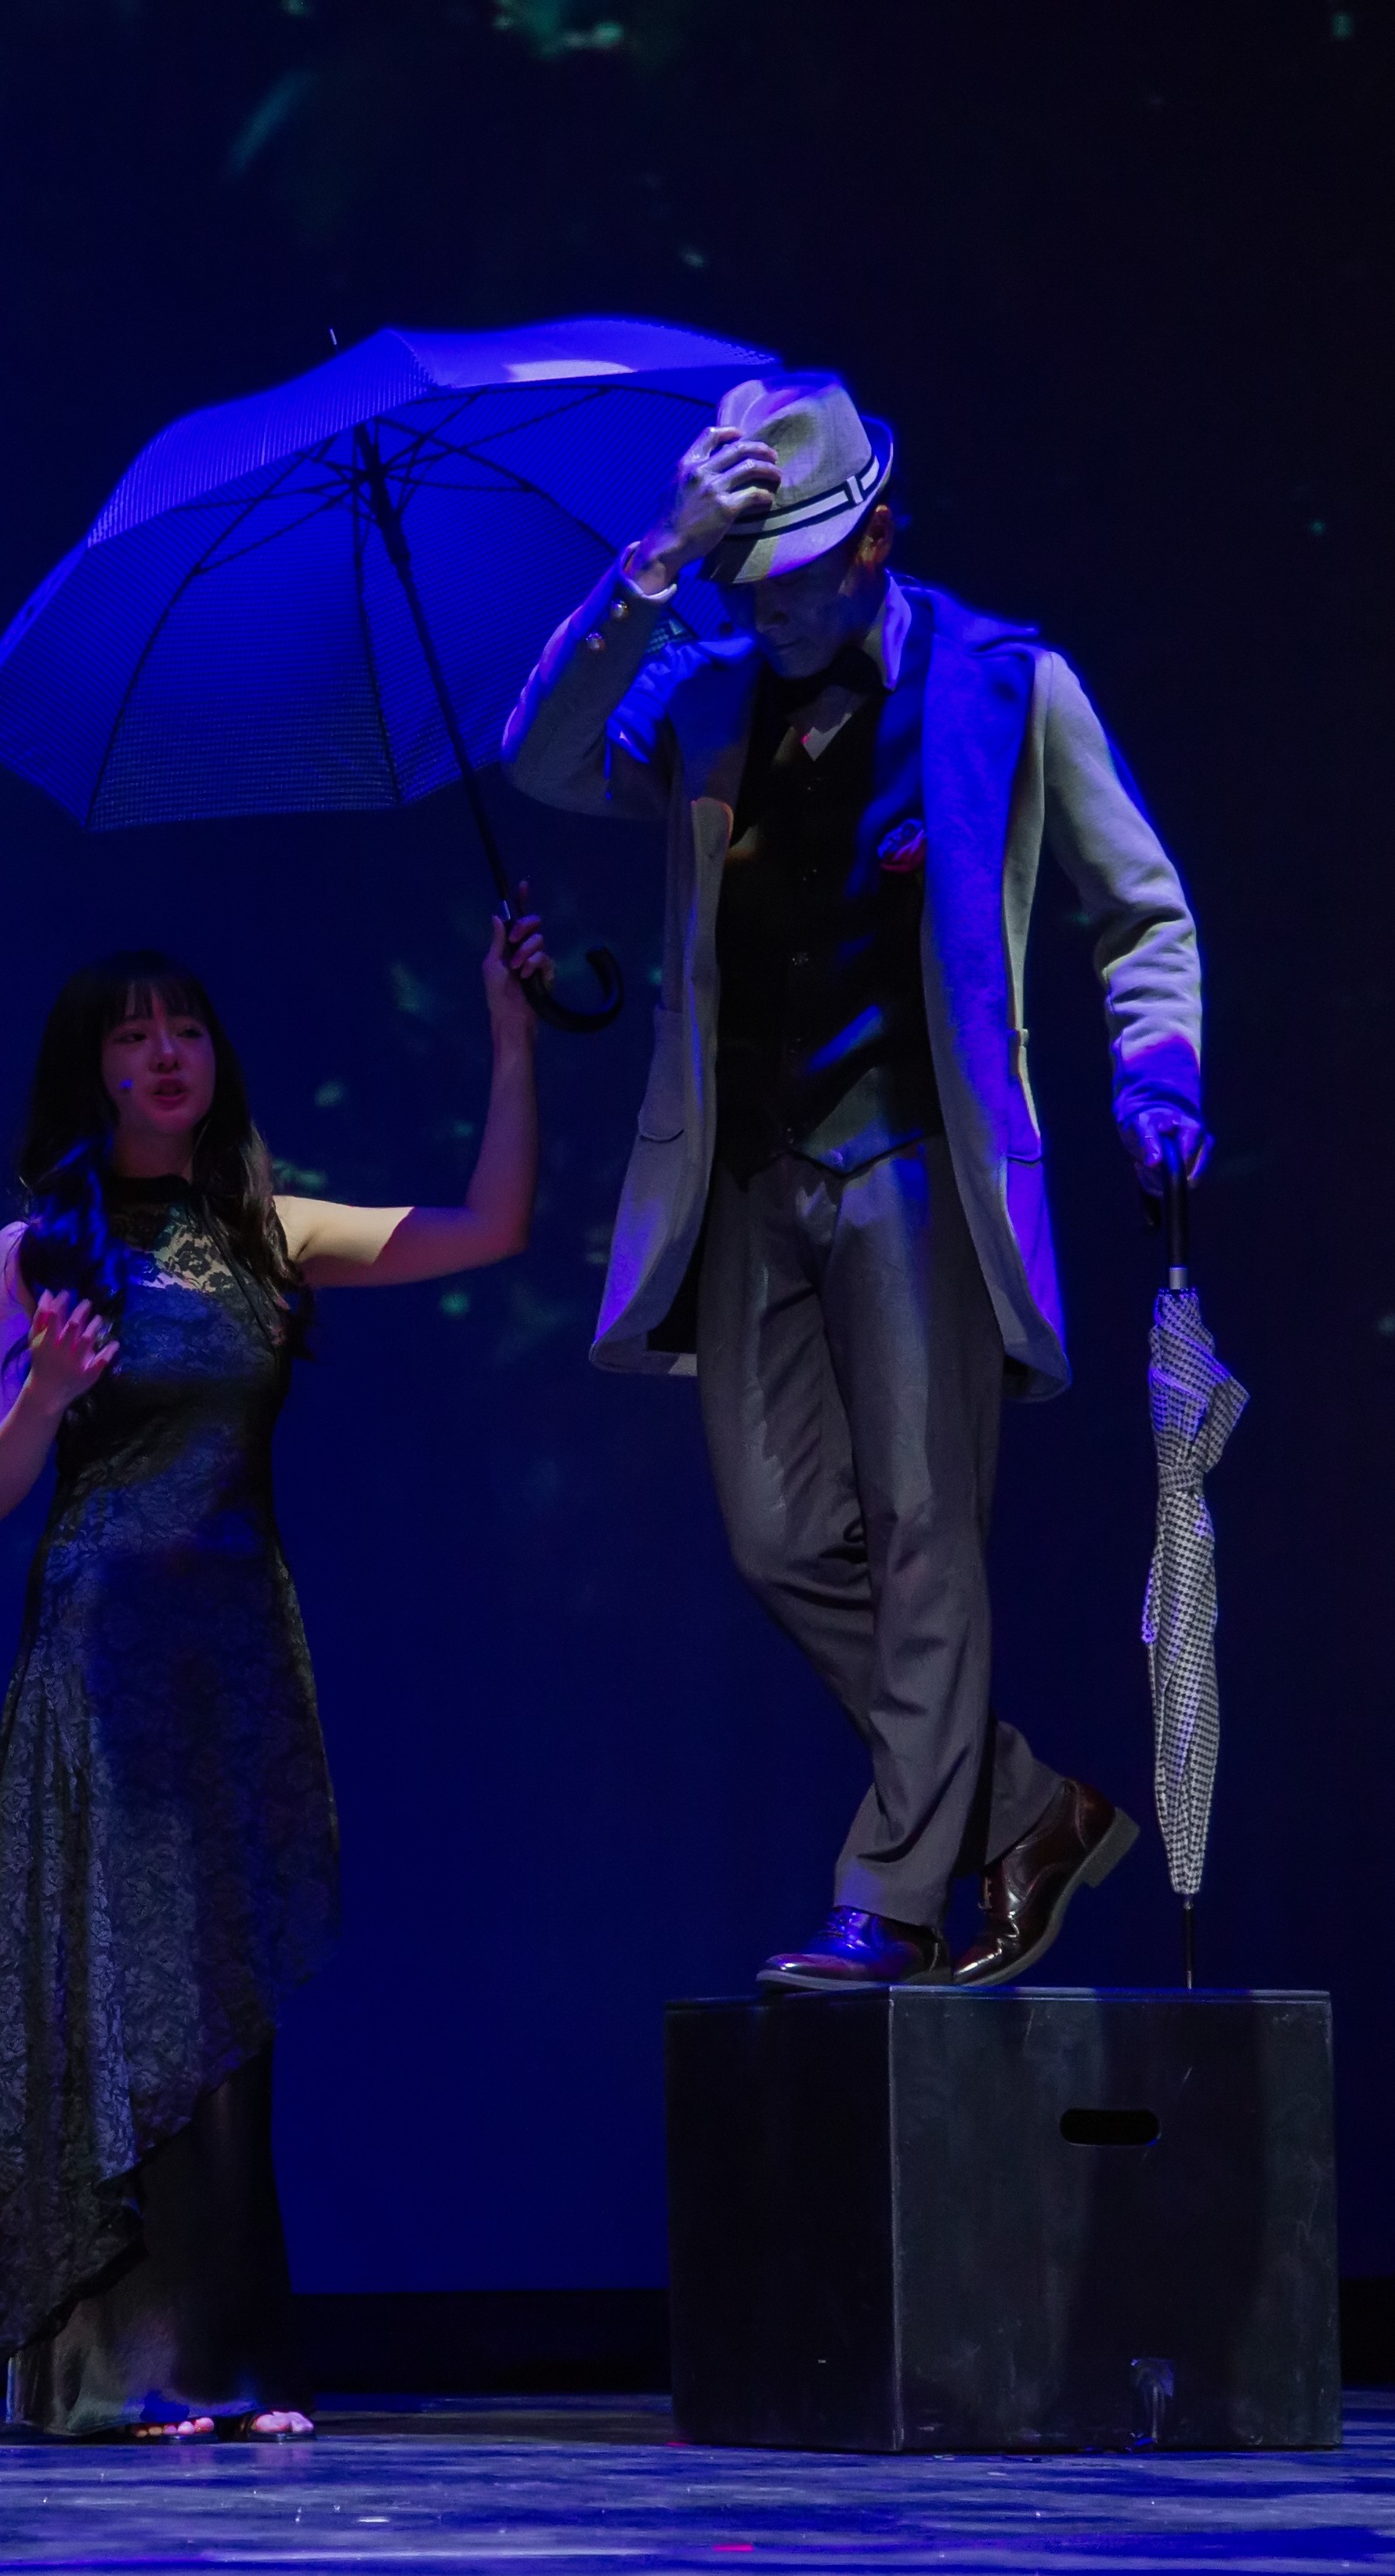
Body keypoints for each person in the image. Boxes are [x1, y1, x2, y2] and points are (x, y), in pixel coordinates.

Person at [501, 374, 1211, 1992]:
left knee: (921, 1527)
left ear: (877, 539)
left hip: (918, 1158)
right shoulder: (703, 695)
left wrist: (1157, 1072)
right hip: (748, 1171)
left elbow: (1141, 909)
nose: (768, 609)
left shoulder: (1008, 684)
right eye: (743, 579)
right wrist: (654, 559)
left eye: (794, 579)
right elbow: (539, 753)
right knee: (776, 1537)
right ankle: (1022, 1810)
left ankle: (889, 1897)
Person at [0, 915, 548, 2439]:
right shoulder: (37, 1252)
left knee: (220, 2010)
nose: (166, 1054)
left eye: (187, 1029)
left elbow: (488, 1226)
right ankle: (126, 2368)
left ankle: (227, 2361)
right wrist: (48, 1393)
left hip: (232, 1664)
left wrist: (508, 1027)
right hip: (101, 1664)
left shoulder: (266, 1230)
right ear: (91, 1071)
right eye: (132, 1035)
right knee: (124, 1996)